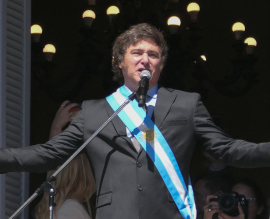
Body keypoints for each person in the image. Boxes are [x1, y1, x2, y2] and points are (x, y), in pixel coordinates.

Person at [1, 23, 270, 219]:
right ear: (120, 62)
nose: (145, 59)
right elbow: (49, 153)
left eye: (153, 54)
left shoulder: (187, 105)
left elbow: (227, 149)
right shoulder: (94, 112)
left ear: (161, 65)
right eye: (137, 52)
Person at [34, 101, 96, 219]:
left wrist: (56, 128)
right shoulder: (71, 209)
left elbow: (57, 156)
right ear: (82, 171)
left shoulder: (56, 208)